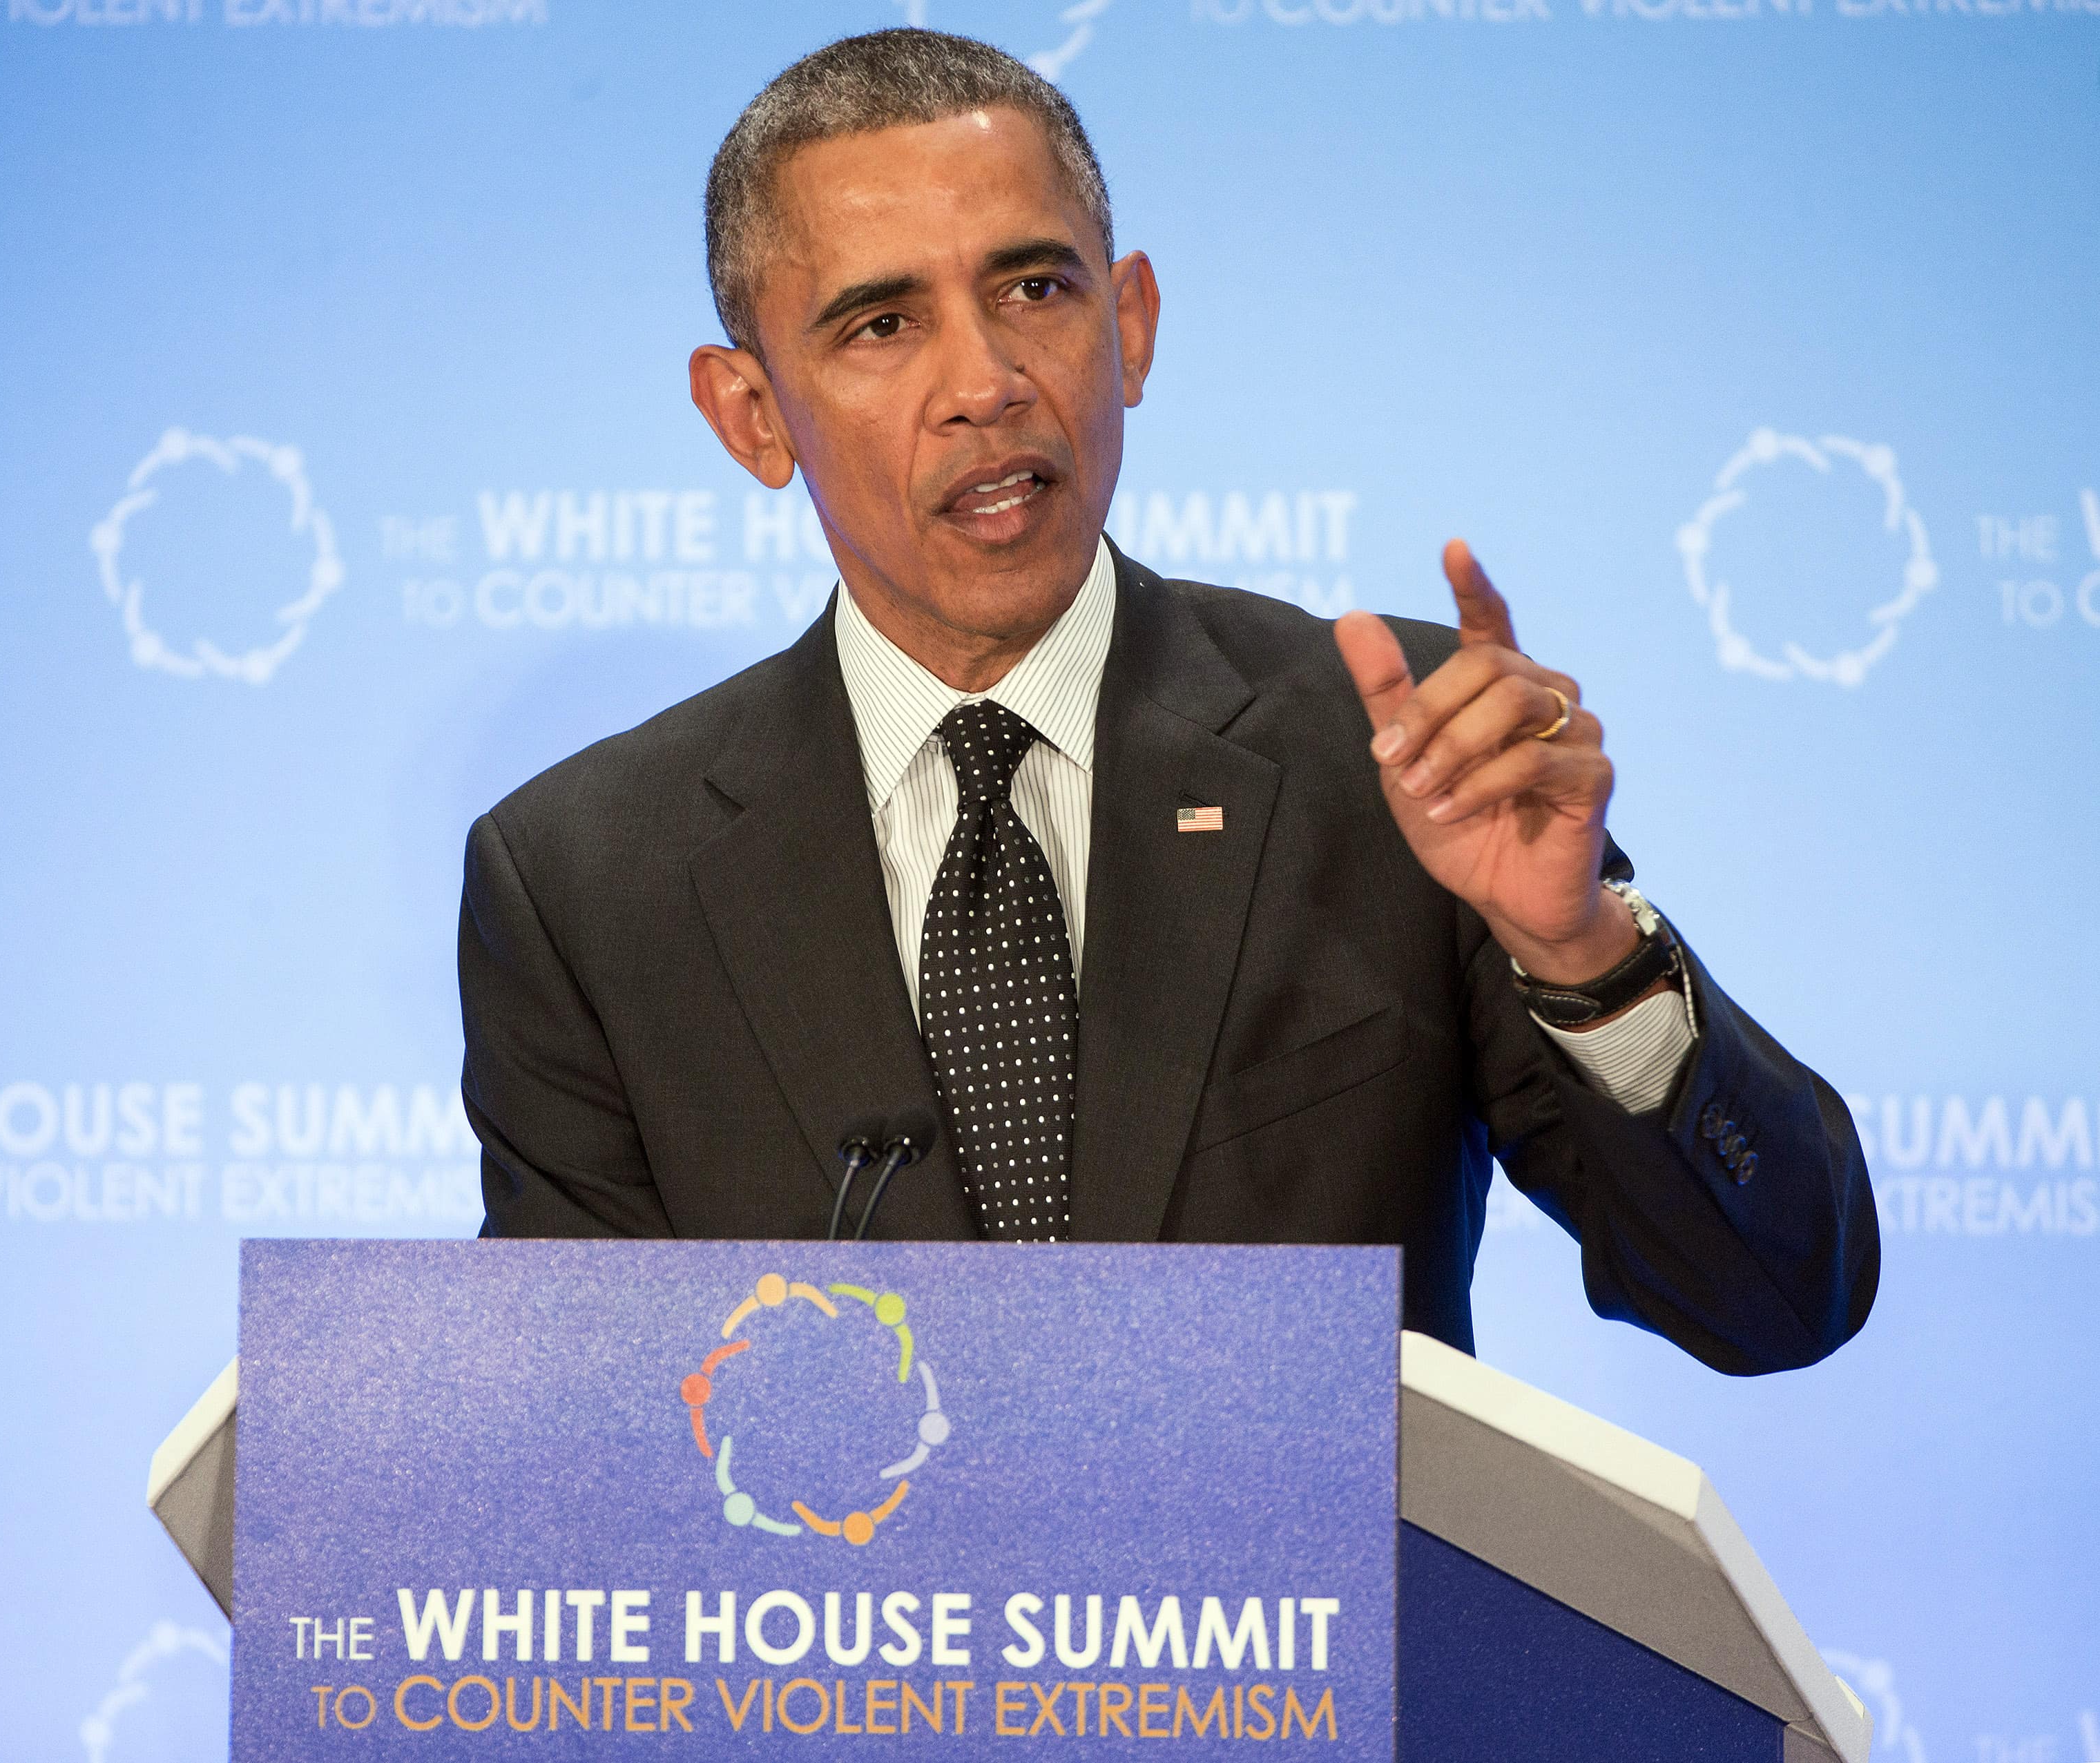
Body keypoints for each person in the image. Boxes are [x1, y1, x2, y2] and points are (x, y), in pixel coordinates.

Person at [456, 28, 1877, 1374]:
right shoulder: (587, 880)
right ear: (751, 415)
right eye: (882, 323)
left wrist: (1576, 948)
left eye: (1035, 290)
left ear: (1127, 325)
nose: (988, 381)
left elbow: (1772, 1298)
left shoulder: (1397, 749)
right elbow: (593, 1464)